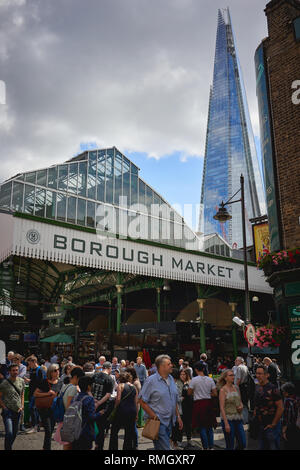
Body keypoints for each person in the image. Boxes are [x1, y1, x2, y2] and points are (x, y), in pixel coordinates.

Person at [139, 354, 183, 451]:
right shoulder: (151, 381)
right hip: (159, 423)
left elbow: (173, 399)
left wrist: (178, 416)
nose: (171, 365)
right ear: (161, 366)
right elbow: (142, 401)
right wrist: (154, 417)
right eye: (169, 364)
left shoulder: (171, 379)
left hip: (170, 422)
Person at [188, 362, 217, 450]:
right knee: (209, 426)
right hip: (208, 402)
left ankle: (205, 447)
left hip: (198, 403)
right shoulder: (210, 379)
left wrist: (196, 393)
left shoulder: (194, 380)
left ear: (196, 370)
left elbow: (189, 392)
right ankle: (211, 446)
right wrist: (208, 394)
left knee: (202, 427)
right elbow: (215, 393)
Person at [253, 364, 284, 450]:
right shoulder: (257, 387)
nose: (258, 376)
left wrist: (273, 423)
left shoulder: (273, 389)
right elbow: (257, 405)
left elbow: (280, 408)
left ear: (267, 375)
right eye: (257, 373)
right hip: (261, 425)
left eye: (260, 374)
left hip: (271, 426)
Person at [54, 366, 85, 450]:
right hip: (69, 421)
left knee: (66, 445)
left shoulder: (65, 386)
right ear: (75, 377)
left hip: (63, 419)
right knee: (69, 445)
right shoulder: (74, 388)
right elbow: (69, 407)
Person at [34, 363, 62, 450]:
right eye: (55, 370)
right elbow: (35, 394)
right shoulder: (44, 381)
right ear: (50, 372)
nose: (57, 372)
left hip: (54, 409)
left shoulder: (60, 382)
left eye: (58, 370)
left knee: (50, 431)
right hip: (44, 408)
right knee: (48, 430)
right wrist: (47, 393)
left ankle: (45, 447)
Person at [218, 369, 246, 450]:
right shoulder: (223, 390)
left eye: (233, 375)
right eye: (230, 375)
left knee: (243, 443)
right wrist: (226, 423)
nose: (233, 377)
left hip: (238, 418)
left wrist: (241, 406)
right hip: (228, 419)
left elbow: (240, 401)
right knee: (230, 445)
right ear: (225, 378)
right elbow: (222, 407)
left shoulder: (236, 388)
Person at [109, 372, 138, 450]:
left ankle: (113, 448)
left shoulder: (120, 385)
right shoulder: (134, 387)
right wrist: (137, 414)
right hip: (132, 411)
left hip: (121, 411)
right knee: (129, 433)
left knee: (114, 431)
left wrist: (115, 407)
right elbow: (136, 402)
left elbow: (118, 399)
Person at [71, 376, 101, 450]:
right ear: (88, 386)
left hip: (74, 430)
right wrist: (99, 413)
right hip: (86, 431)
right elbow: (91, 417)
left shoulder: (75, 397)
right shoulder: (89, 399)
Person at [0, 363, 25, 450]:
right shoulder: (4, 383)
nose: (15, 372)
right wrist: (4, 407)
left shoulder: (21, 381)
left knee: (14, 433)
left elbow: (22, 394)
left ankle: (8, 447)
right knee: (9, 432)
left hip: (18, 410)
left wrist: (22, 406)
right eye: (13, 370)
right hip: (8, 412)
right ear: (9, 372)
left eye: (16, 370)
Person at [93, 361, 115, 450]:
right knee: (101, 428)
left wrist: (94, 400)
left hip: (92, 404)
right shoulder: (109, 379)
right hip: (102, 406)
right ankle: (99, 446)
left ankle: (93, 445)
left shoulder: (94, 376)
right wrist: (98, 403)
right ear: (109, 368)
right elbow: (108, 394)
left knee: (91, 425)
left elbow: (89, 389)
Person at [25, 355, 45, 433]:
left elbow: (42, 382)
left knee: (32, 409)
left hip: (36, 393)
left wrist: (36, 392)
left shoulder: (40, 370)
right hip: (31, 392)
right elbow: (34, 381)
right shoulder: (32, 370)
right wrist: (28, 380)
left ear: (34, 362)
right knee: (33, 409)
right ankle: (35, 426)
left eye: (30, 363)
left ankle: (35, 426)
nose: (29, 365)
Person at [281, 382, 300, 450]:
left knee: (289, 446)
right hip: (298, 427)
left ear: (287, 392)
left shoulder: (288, 401)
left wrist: (283, 431)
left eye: (283, 391)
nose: (283, 393)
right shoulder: (297, 399)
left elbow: (286, 418)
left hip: (291, 428)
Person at [126, 366, 141, 449]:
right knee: (131, 426)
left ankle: (135, 445)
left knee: (133, 426)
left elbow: (137, 398)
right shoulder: (134, 382)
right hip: (132, 406)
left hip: (134, 406)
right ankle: (133, 444)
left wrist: (136, 412)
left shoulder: (135, 383)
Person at [170, 369, 184, 449]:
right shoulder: (175, 385)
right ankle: (173, 444)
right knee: (176, 428)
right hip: (176, 409)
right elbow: (176, 399)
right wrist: (182, 398)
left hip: (171, 410)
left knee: (174, 428)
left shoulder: (170, 384)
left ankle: (173, 444)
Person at [180, 369, 194, 448]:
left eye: (184, 374)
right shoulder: (178, 383)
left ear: (187, 375)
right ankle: (179, 440)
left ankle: (189, 440)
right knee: (181, 424)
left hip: (189, 405)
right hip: (180, 406)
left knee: (188, 423)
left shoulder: (190, 383)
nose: (182, 376)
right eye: (181, 374)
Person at [234, 356, 249, 423]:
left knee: (240, 403)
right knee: (245, 403)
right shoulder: (245, 367)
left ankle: (243, 419)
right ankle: (246, 418)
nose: (235, 361)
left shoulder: (239, 368)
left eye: (236, 360)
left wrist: (236, 387)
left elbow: (239, 379)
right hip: (245, 386)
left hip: (240, 387)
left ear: (240, 361)